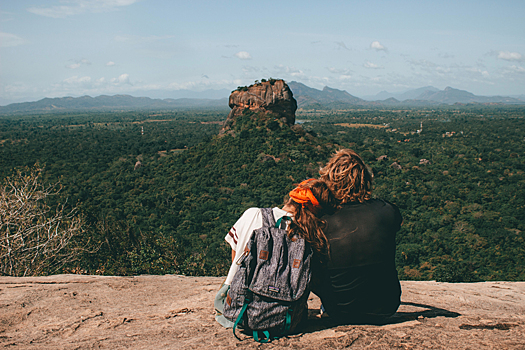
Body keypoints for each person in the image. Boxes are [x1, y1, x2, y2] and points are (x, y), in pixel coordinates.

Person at [214, 178, 337, 328]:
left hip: (239, 309)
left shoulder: (253, 214)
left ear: (292, 196)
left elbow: (236, 258)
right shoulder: (311, 236)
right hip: (286, 315)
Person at [312, 149, 403, 324]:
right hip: (386, 306)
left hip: (339, 309)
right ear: (365, 180)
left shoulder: (321, 221)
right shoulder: (387, 211)